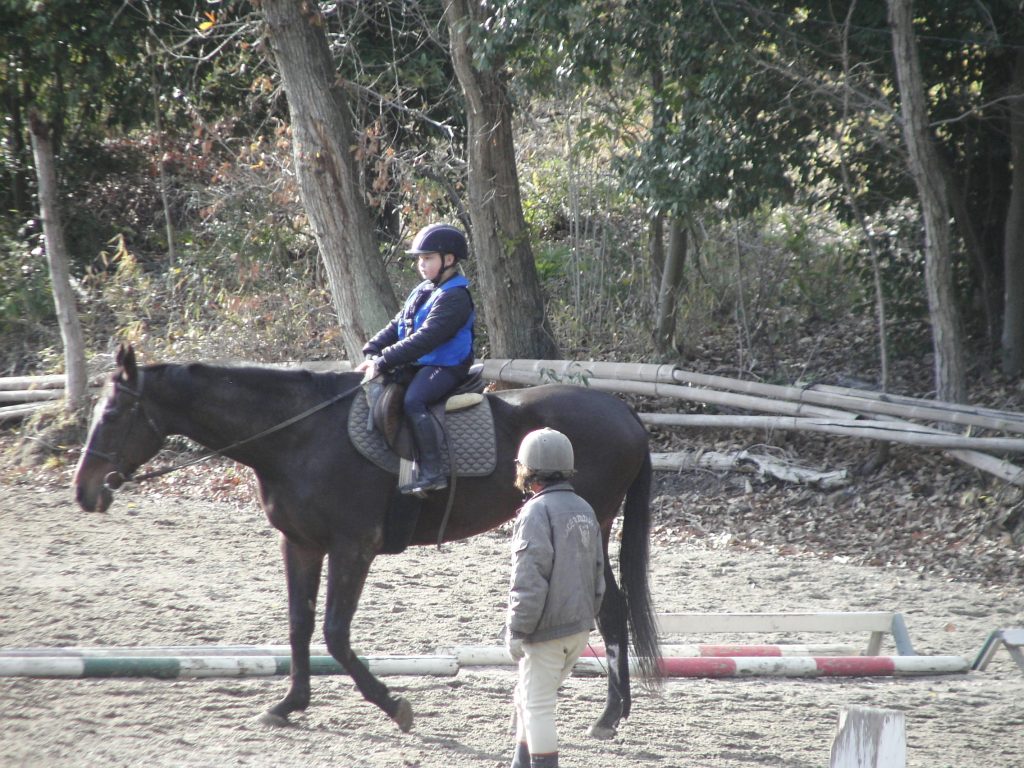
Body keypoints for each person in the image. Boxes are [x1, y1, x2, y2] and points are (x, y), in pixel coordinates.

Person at [505, 428, 605, 768]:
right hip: (578, 629)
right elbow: (598, 571)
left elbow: (529, 579)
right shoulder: (584, 508)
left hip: (546, 630)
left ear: (529, 470)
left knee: (538, 706)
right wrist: (587, 618)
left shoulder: (536, 512)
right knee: (527, 697)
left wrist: (518, 629)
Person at [356, 223, 475, 495]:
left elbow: (426, 338)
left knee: (414, 400)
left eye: (428, 258)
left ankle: (433, 472)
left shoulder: (455, 297)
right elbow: (398, 323)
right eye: (420, 258)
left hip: (447, 365)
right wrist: (373, 348)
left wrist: (383, 360)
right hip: (423, 363)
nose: (421, 264)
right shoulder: (424, 290)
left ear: (449, 259)